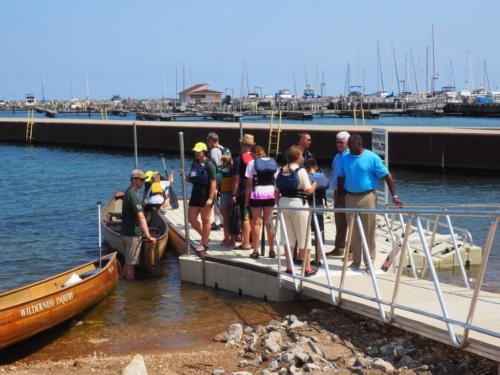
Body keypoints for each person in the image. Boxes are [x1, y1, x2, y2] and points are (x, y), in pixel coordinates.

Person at [337, 133, 403, 269]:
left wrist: (394, 196)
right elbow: (341, 177)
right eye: (347, 145)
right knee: (353, 232)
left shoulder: (372, 157)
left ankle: (369, 262)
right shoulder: (345, 158)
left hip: (367, 197)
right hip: (350, 197)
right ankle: (356, 261)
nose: (348, 147)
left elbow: (387, 176)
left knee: (368, 230)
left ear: (359, 144)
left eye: (351, 145)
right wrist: (340, 196)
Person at [276, 146, 317, 277]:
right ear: (298, 157)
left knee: (288, 238)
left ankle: (289, 267)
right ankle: (307, 268)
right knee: (304, 237)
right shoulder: (301, 171)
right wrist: (315, 184)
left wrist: (279, 205)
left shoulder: (280, 170)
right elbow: (308, 190)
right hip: (298, 205)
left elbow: (276, 191)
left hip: (284, 205)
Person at [179, 142, 217, 252]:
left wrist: (210, 198)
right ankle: (205, 236)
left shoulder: (209, 164)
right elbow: (191, 179)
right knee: (191, 219)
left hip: (206, 194)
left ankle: (204, 243)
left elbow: (213, 182)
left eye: (198, 151)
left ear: (204, 152)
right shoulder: (194, 163)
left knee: (205, 220)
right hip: (195, 194)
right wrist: (184, 176)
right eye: (195, 151)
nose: (196, 153)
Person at [120, 169, 157, 280]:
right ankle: (130, 291)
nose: (143, 182)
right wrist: (148, 236)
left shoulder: (129, 192)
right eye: (141, 180)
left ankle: (121, 283)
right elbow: (141, 217)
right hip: (132, 235)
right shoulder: (133, 195)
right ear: (134, 180)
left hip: (125, 233)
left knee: (127, 261)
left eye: (144, 179)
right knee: (131, 264)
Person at [245, 146, 278, 259]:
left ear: (254, 153)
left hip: (257, 193)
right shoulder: (272, 163)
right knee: (268, 222)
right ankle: (272, 250)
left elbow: (249, 183)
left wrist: (246, 201)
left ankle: (255, 251)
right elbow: (275, 180)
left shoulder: (251, 163)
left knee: (256, 222)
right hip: (270, 193)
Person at [327, 131, 350, 257]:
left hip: (346, 193)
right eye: (337, 142)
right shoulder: (337, 156)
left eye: (341, 142)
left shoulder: (349, 156)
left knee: (350, 222)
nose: (339, 144)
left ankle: (351, 251)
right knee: (339, 221)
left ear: (347, 143)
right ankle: (339, 247)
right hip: (337, 192)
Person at [232, 133, 255, 250]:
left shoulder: (238, 159)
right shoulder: (255, 157)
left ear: (242, 145)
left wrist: (233, 194)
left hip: (243, 189)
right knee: (254, 217)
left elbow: (236, 178)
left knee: (245, 217)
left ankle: (245, 243)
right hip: (256, 190)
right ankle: (254, 243)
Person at [304, 158, 329, 261]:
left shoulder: (306, 177)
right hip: (319, 206)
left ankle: (302, 256)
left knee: (305, 232)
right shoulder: (323, 177)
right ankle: (318, 259)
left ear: (306, 168)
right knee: (319, 232)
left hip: (307, 207)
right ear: (316, 167)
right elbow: (327, 186)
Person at [207, 132, 228, 231]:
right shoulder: (224, 148)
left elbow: (216, 165)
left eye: (208, 141)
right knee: (222, 197)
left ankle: (217, 222)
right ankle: (223, 220)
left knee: (216, 198)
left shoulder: (214, 151)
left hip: (218, 176)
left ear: (211, 141)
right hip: (226, 177)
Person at [219, 154, 236, 247]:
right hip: (233, 195)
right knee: (233, 218)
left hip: (225, 195)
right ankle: (233, 240)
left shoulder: (222, 172)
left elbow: (218, 181)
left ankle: (226, 239)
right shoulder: (234, 171)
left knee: (226, 220)